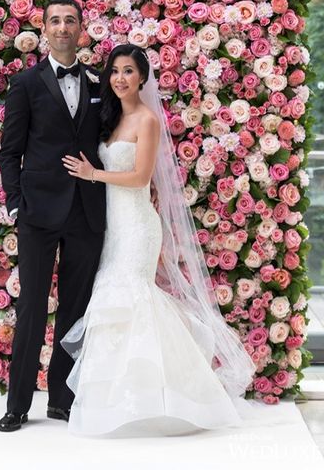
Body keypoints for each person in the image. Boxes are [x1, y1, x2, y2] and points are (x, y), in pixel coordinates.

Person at [61, 44, 257, 437]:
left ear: (143, 78)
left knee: (131, 297)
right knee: (116, 304)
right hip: (113, 225)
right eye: (114, 70)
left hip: (136, 226)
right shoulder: (111, 116)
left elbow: (139, 177)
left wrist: (91, 174)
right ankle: (120, 400)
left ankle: (169, 399)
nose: (120, 78)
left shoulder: (147, 120)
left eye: (129, 71)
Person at [0, 0, 106, 432]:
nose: (63, 28)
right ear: (44, 29)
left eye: (70, 20)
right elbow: (10, 152)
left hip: (86, 212)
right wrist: (16, 202)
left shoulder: (100, 83)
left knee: (75, 310)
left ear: (82, 29)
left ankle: (61, 400)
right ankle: (17, 405)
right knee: (31, 309)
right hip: (38, 213)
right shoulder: (26, 83)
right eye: (55, 21)